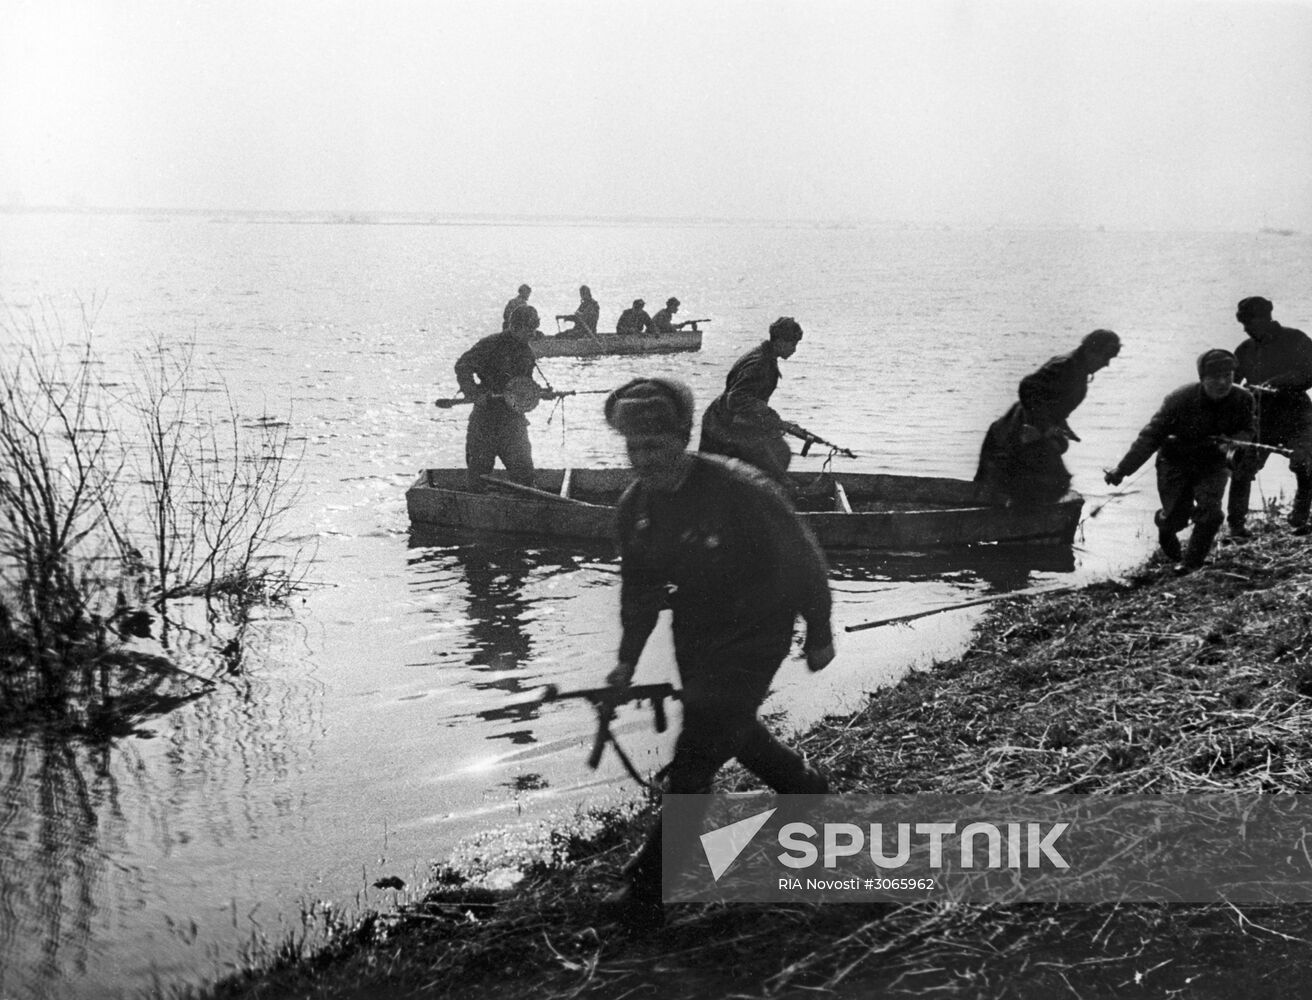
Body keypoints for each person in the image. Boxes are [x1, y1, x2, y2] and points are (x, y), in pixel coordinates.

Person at [600, 377, 834, 927]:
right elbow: (640, 590)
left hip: (759, 625)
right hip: (698, 631)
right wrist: (626, 661)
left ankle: (650, 887)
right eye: (634, 449)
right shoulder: (637, 506)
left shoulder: (740, 488)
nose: (644, 460)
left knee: (698, 751)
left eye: (655, 447)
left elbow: (801, 557)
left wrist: (819, 630)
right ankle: (805, 790)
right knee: (726, 722)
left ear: (682, 438)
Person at [1105, 349, 1255, 573]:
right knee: (1176, 517)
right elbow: (1150, 436)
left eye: (1228, 376)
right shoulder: (1179, 399)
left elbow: (1249, 429)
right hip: (1175, 462)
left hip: (1212, 464)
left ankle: (1191, 563)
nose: (1223, 383)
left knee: (1211, 513)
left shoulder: (1243, 398)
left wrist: (1235, 442)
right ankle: (1165, 526)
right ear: (1202, 378)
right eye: (1215, 377)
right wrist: (1122, 470)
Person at [975, 329, 1121, 504]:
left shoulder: (1078, 370)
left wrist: (1062, 427)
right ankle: (1026, 524)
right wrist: (1044, 426)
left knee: (1046, 484)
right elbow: (1028, 387)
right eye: (1105, 357)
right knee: (1050, 483)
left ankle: (1025, 524)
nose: (1106, 364)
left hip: (1029, 434)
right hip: (1013, 433)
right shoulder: (1066, 366)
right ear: (1091, 350)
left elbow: (1050, 403)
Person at [1226, 296, 1312, 539]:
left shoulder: (1296, 339)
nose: (1245, 328)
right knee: (1241, 467)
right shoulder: (1244, 349)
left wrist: (1279, 382)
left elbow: (1310, 372)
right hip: (1259, 418)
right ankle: (1236, 528)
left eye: (1248, 322)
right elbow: (1231, 385)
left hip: (1297, 415)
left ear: (1264, 318)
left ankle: (1299, 519)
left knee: (1305, 464)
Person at [698, 316, 806, 485]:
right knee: (776, 456)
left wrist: (776, 422)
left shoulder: (765, 357)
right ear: (779, 341)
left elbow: (747, 400)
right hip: (723, 425)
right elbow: (737, 398)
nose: (794, 349)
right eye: (792, 343)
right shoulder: (759, 363)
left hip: (730, 420)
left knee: (773, 455)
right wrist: (774, 418)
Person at [454, 304, 541, 491]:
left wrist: (536, 392)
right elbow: (463, 366)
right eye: (529, 329)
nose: (533, 334)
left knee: (525, 476)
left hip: (513, 423)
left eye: (534, 329)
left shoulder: (526, 352)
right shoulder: (490, 344)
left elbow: (523, 384)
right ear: (515, 327)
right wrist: (474, 393)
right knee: (478, 477)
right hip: (485, 422)